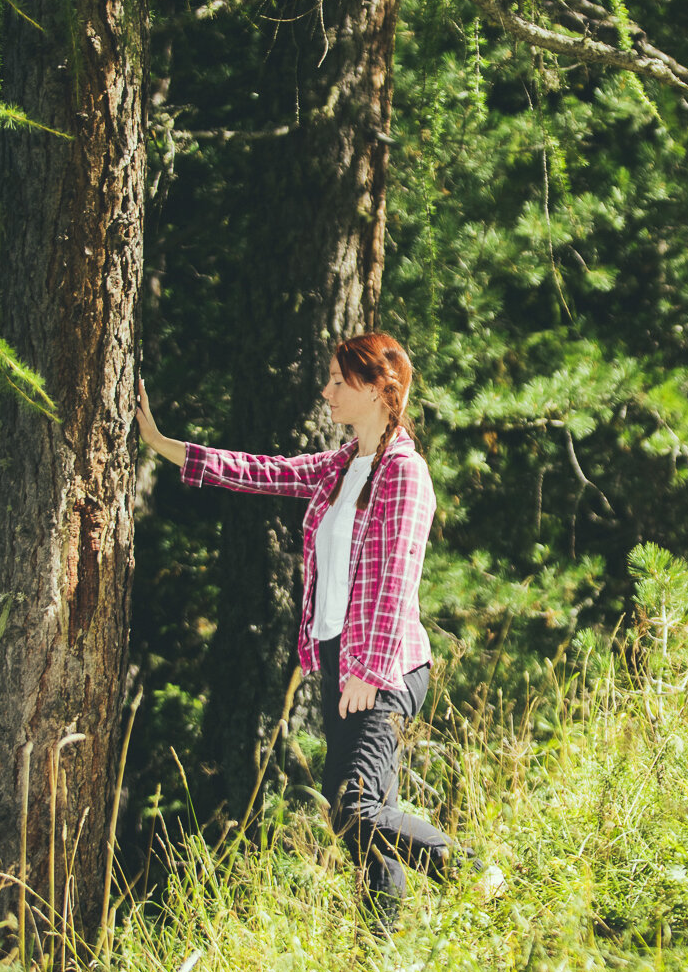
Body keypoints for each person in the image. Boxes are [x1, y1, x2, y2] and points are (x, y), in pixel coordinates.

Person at [136, 333, 491, 933]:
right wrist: (164, 445)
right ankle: (379, 942)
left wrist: (368, 672)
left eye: (338, 381)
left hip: (382, 666)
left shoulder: (404, 473)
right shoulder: (341, 466)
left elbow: (396, 578)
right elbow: (261, 472)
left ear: (381, 390)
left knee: (355, 809)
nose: (325, 391)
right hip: (341, 662)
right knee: (366, 811)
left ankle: (475, 874)